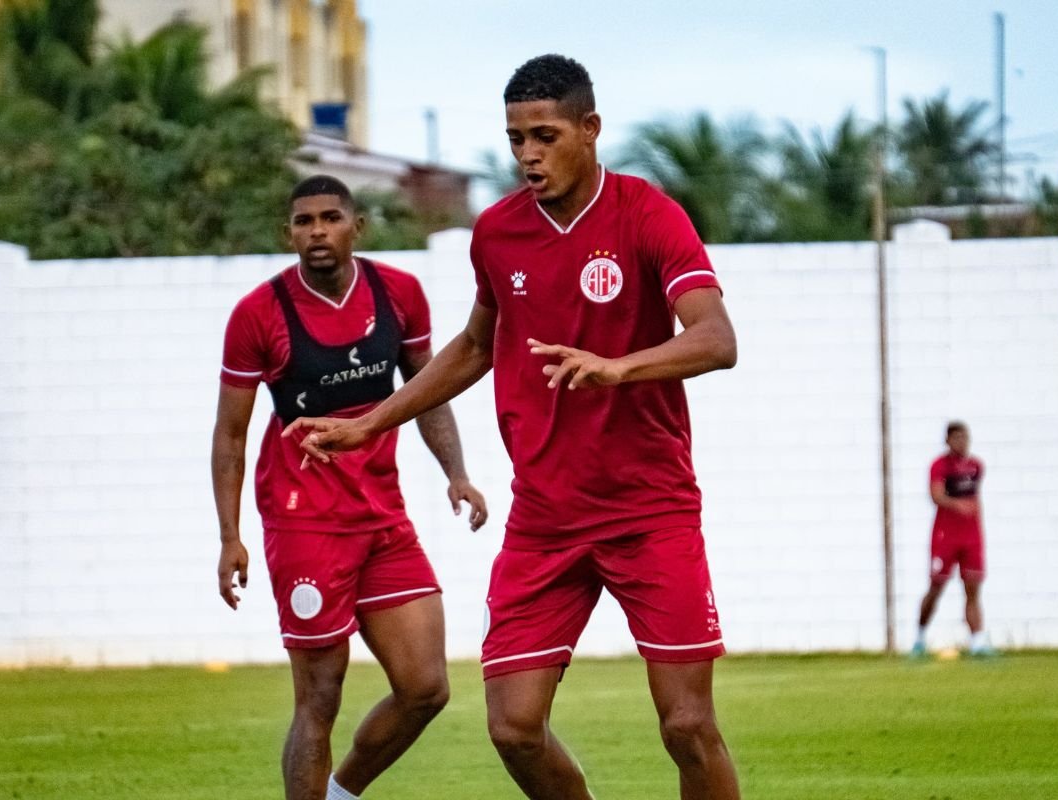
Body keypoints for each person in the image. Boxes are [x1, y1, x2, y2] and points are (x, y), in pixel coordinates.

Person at [284, 55, 741, 800]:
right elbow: (472, 347)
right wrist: (372, 423)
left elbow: (717, 339)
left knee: (687, 725)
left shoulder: (648, 214)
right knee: (514, 727)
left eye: (545, 134)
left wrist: (617, 367)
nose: (528, 153)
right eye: (515, 137)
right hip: (545, 522)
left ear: (590, 131)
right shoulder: (497, 232)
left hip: (649, 511)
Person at [211, 174, 488, 800]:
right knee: (320, 695)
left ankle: (340, 794)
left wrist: (457, 475)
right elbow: (230, 436)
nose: (317, 232)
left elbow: (428, 393)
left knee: (426, 687)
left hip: (383, 518)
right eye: (303, 221)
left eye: (330, 218)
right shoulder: (259, 314)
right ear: (289, 233)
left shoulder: (400, 295)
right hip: (303, 522)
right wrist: (230, 537)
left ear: (356, 227)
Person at [912, 421, 996, 658]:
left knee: (972, 588)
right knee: (936, 587)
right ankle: (919, 638)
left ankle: (978, 642)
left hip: (971, 537)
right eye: (957, 438)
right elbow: (936, 495)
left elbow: (974, 499)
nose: (962, 442)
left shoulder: (976, 466)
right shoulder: (939, 466)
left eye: (965, 437)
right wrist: (956, 505)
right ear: (948, 440)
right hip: (945, 536)